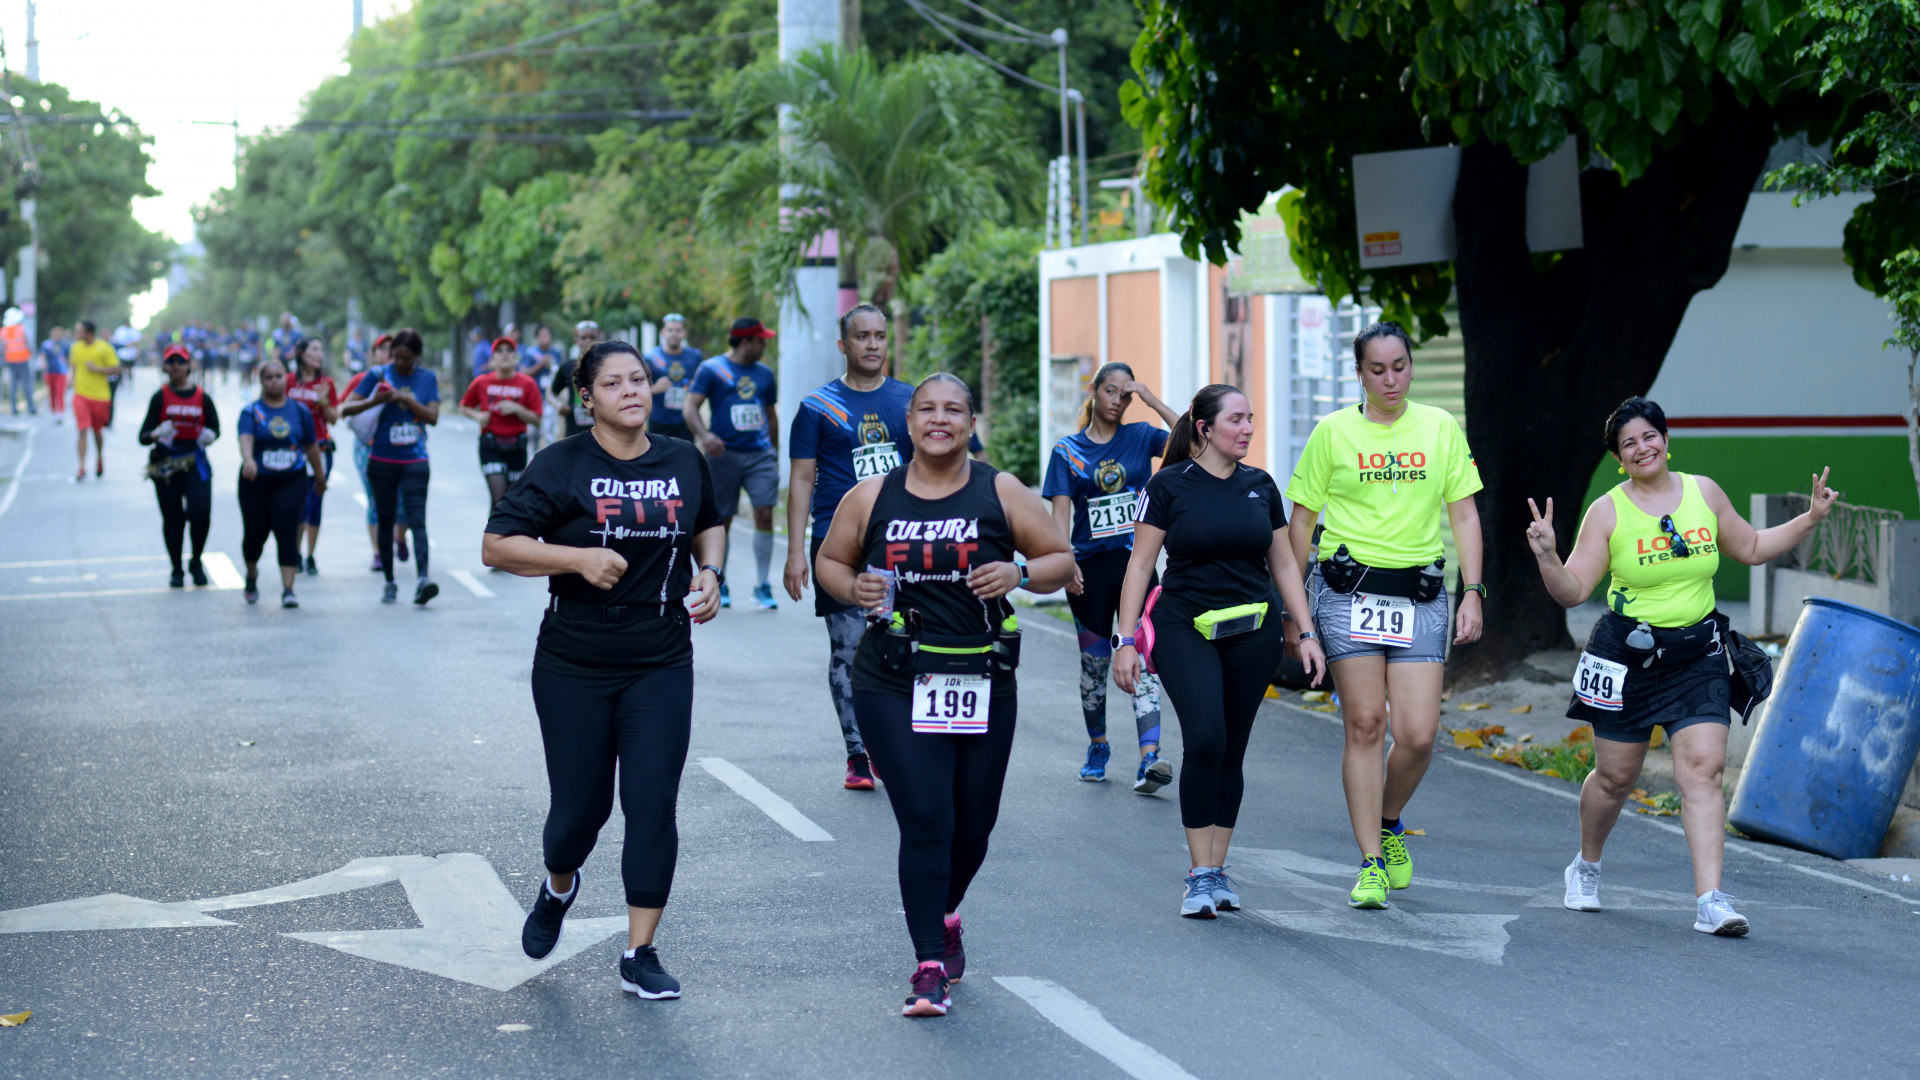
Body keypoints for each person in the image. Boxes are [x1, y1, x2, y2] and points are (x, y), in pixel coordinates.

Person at [816, 373, 1073, 1018]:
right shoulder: (871, 495)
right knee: (927, 818)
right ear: (908, 422)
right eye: (926, 409)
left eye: (953, 409)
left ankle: (945, 910)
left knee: (974, 823)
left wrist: (1018, 571)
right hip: (892, 679)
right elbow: (831, 562)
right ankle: (928, 963)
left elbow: (1061, 561)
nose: (939, 419)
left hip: (982, 677)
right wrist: (852, 589)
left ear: (970, 422)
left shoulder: (1000, 490)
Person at [1527, 397, 1835, 935]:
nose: (1642, 448)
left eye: (1649, 436)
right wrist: (1548, 556)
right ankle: (1586, 866)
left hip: (1698, 654)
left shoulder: (1704, 493)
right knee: (1616, 777)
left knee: (1704, 771)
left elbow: (1752, 546)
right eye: (1629, 444)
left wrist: (1810, 518)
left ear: (1666, 440)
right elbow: (1573, 591)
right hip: (1626, 655)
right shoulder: (1608, 511)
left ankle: (1711, 901)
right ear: (1619, 458)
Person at [483, 340, 726, 1002]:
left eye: (639, 379)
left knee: (652, 804)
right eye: (613, 383)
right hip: (574, 659)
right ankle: (558, 886)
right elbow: (496, 546)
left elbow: (708, 523)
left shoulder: (681, 458)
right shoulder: (561, 463)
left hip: (661, 656)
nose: (631, 391)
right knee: (578, 813)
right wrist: (577, 559)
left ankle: (639, 952)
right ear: (587, 399)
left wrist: (710, 572)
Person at [1283, 321, 1485, 910]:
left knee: (1418, 735)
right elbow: (1301, 522)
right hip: (1348, 593)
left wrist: (1473, 591)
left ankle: (1389, 819)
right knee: (1366, 723)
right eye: (1377, 370)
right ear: (1359, 374)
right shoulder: (1332, 432)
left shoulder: (1439, 426)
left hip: (1420, 594)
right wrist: (1296, 613)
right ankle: (1370, 861)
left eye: (1399, 367)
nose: (1390, 379)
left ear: (1411, 367)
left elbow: (1464, 514)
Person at [1111, 384, 1327, 919]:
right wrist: (1126, 639)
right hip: (1185, 626)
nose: (1248, 428)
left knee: (1232, 747)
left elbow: (1283, 564)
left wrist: (1306, 632)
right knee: (1206, 737)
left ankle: (1216, 869)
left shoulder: (1260, 485)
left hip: (1252, 630)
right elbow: (1140, 564)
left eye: (1250, 418)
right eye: (1236, 419)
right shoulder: (1168, 485)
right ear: (1205, 428)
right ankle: (1198, 872)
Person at [1043, 361, 1180, 788]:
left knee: (1143, 658)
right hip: (1088, 573)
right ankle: (1098, 745)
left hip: (1136, 565)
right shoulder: (1066, 451)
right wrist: (1064, 561)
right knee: (1095, 665)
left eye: (1126, 394)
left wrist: (1151, 398)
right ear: (1093, 390)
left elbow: (1193, 440)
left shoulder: (1141, 436)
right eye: (1111, 391)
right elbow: (1060, 515)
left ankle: (1149, 757)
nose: (1118, 400)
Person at [684, 317, 781, 610]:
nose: (765, 345)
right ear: (746, 342)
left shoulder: (765, 374)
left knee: (764, 513)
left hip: (759, 455)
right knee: (721, 519)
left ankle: (762, 586)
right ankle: (720, 581)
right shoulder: (712, 369)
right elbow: (690, 408)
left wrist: (774, 452)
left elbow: (770, 415)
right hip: (722, 455)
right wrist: (705, 436)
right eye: (761, 340)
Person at [341, 327, 440, 606]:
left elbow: (433, 417)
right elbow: (345, 409)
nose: (399, 363)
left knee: (417, 520)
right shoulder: (377, 375)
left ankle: (423, 579)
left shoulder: (427, 378)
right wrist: (377, 400)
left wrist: (406, 399)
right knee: (385, 520)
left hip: (415, 459)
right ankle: (389, 581)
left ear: (417, 356)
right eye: (395, 356)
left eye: (406, 358)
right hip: (382, 460)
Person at [237, 357, 324, 608]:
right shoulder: (251, 411)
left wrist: (319, 477)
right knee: (255, 534)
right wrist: (248, 460)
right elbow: (245, 437)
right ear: (261, 381)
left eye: (278, 376)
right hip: (256, 480)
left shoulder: (299, 411)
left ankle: (288, 589)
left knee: (287, 529)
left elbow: (311, 445)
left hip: (292, 479)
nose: (274, 381)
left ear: (286, 378)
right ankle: (251, 574)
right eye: (269, 377)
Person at [139, 344, 220, 588]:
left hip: (195, 460)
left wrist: (210, 436)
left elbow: (216, 428)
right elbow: (143, 436)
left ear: (189, 365)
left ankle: (196, 560)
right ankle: (176, 568)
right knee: (173, 517)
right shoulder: (160, 397)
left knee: (200, 512)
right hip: (166, 463)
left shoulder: (202, 397)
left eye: (180, 361)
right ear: (165, 367)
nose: (176, 366)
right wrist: (156, 434)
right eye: (171, 362)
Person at [460, 337, 544, 508]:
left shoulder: (527, 383)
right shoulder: (482, 382)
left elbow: (537, 420)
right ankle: (494, 527)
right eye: (499, 351)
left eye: (509, 351)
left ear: (516, 358)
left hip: (517, 447)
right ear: (492, 360)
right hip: (491, 446)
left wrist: (518, 409)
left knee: (511, 500)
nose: (504, 354)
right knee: (498, 496)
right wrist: (478, 416)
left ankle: (504, 526)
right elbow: (464, 406)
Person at [350, 334, 407, 573]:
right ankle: (378, 552)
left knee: (403, 499)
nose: (388, 353)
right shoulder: (364, 379)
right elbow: (345, 410)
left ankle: (400, 537)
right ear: (373, 355)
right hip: (368, 447)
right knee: (375, 499)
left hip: (400, 449)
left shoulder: (408, 377)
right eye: (382, 349)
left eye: (392, 349)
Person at [287, 337, 341, 576]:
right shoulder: (288, 381)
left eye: (321, 349)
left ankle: (310, 555)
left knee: (315, 503)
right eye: (314, 349)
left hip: (320, 449)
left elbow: (334, 418)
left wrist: (323, 400)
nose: (319, 354)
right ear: (301, 353)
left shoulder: (326, 383)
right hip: (293, 451)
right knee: (296, 504)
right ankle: (295, 553)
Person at [69, 321, 119, 481]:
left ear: (89, 333)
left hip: (100, 397)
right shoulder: (75, 347)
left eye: (79, 331)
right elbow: (73, 366)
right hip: (80, 395)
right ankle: (81, 467)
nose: (76, 334)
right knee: (82, 430)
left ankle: (99, 457)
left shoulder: (104, 347)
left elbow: (116, 369)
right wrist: (69, 378)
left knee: (97, 431)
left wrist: (98, 369)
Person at [644, 313, 703, 443]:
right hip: (658, 420)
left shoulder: (695, 356)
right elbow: (638, 387)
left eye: (678, 330)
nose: (674, 334)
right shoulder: (650, 357)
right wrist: (655, 388)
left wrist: (694, 388)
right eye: (670, 330)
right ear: (663, 332)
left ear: (684, 333)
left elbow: (702, 387)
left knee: (685, 454)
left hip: (685, 420)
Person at [549, 320, 602, 441]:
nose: (588, 341)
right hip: (574, 433)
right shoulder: (567, 367)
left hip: (602, 432)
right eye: (583, 337)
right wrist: (558, 405)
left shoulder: (607, 365)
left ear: (599, 339)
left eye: (592, 337)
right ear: (576, 340)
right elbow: (551, 392)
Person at [3, 308, 34, 415]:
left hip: (10, 360)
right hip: (23, 360)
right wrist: (33, 354)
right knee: (26, 383)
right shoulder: (21, 329)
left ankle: (14, 408)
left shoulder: (3, 331)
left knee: (13, 384)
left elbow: (2, 348)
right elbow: (29, 343)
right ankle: (31, 407)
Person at [40, 326, 69, 424]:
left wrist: (69, 371)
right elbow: (42, 355)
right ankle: (53, 413)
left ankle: (60, 413)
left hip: (61, 372)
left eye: (59, 335)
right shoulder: (46, 344)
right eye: (56, 335)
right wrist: (43, 365)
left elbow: (68, 358)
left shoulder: (64, 344)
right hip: (50, 371)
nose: (57, 336)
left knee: (59, 393)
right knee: (51, 393)